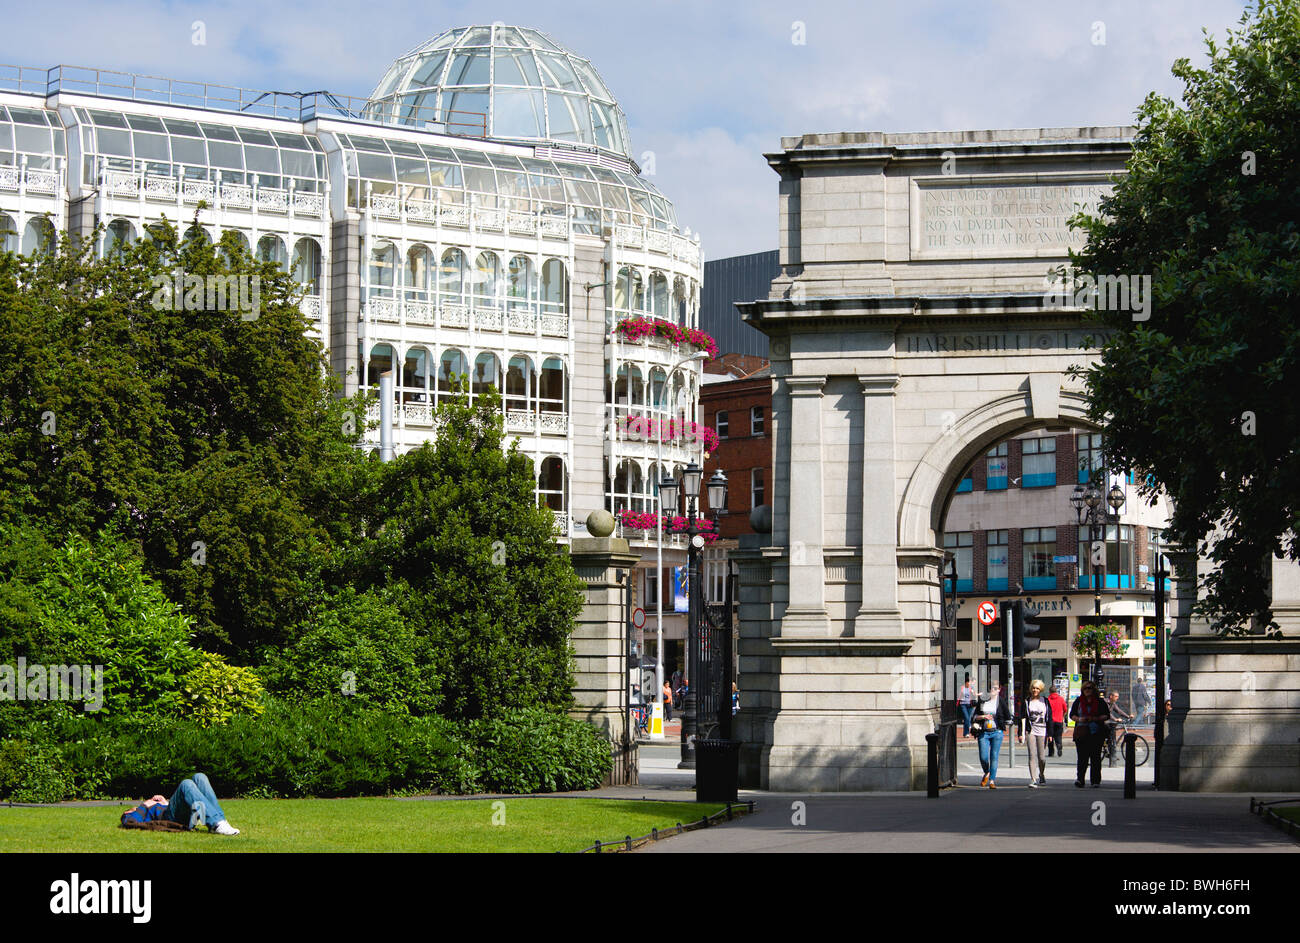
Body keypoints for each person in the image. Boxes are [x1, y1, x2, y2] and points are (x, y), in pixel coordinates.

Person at [121, 772, 239, 835]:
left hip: (177, 813)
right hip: (169, 818)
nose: (134, 808)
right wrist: (144, 805)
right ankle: (216, 824)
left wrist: (165, 803)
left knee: (199, 777)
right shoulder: (132, 815)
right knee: (186, 784)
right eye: (131, 809)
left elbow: (172, 808)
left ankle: (220, 820)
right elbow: (131, 822)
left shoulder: (154, 807)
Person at [1070, 680, 1111, 787]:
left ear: (1094, 690)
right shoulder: (1078, 701)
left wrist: (1095, 718)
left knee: (1095, 758)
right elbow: (1072, 715)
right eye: (1085, 688)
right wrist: (1079, 719)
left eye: (1090, 688)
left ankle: (1095, 781)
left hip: (1096, 732)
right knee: (1082, 758)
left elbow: (1106, 715)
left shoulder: (1100, 701)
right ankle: (1080, 779)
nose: (1087, 690)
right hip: (1081, 732)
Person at [973, 682, 1012, 788]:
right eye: (991, 689)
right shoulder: (982, 701)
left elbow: (1008, 716)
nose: (993, 691)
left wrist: (1006, 723)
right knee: (983, 757)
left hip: (997, 732)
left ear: (999, 690)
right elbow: (975, 716)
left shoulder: (1001, 702)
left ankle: (991, 781)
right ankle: (987, 772)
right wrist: (983, 717)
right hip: (984, 732)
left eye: (995, 689)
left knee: (994, 756)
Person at [1017, 680, 1050, 787]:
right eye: (1033, 688)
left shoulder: (1045, 701)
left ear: (1041, 690)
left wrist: (1051, 734)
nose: (1035, 690)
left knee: (1042, 757)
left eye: (1037, 688)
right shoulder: (1026, 701)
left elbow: (1050, 718)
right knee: (1032, 755)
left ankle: (1042, 774)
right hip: (1030, 731)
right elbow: (1021, 718)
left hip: (1043, 731)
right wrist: (1020, 733)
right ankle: (1033, 779)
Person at [1046, 685, 1067, 757]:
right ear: (1056, 691)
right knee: (1058, 736)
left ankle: (1051, 752)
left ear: (1049, 692)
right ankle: (1059, 745)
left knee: (1050, 736)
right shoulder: (1061, 699)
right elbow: (1065, 709)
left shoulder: (1048, 699)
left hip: (1050, 721)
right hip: (1059, 720)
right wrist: (1062, 715)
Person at [959, 674, 976, 738]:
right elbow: (960, 695)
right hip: (963, 704)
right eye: (968, 682)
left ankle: (966, 733)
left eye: (970, 682)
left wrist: (972, 692)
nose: (970, 683)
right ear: (966, 682)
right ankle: (969, 726)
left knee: (967, 718)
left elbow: (974, 695)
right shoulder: (962, 687)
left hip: (970, 704)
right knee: (966, 718)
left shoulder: (972, 687)